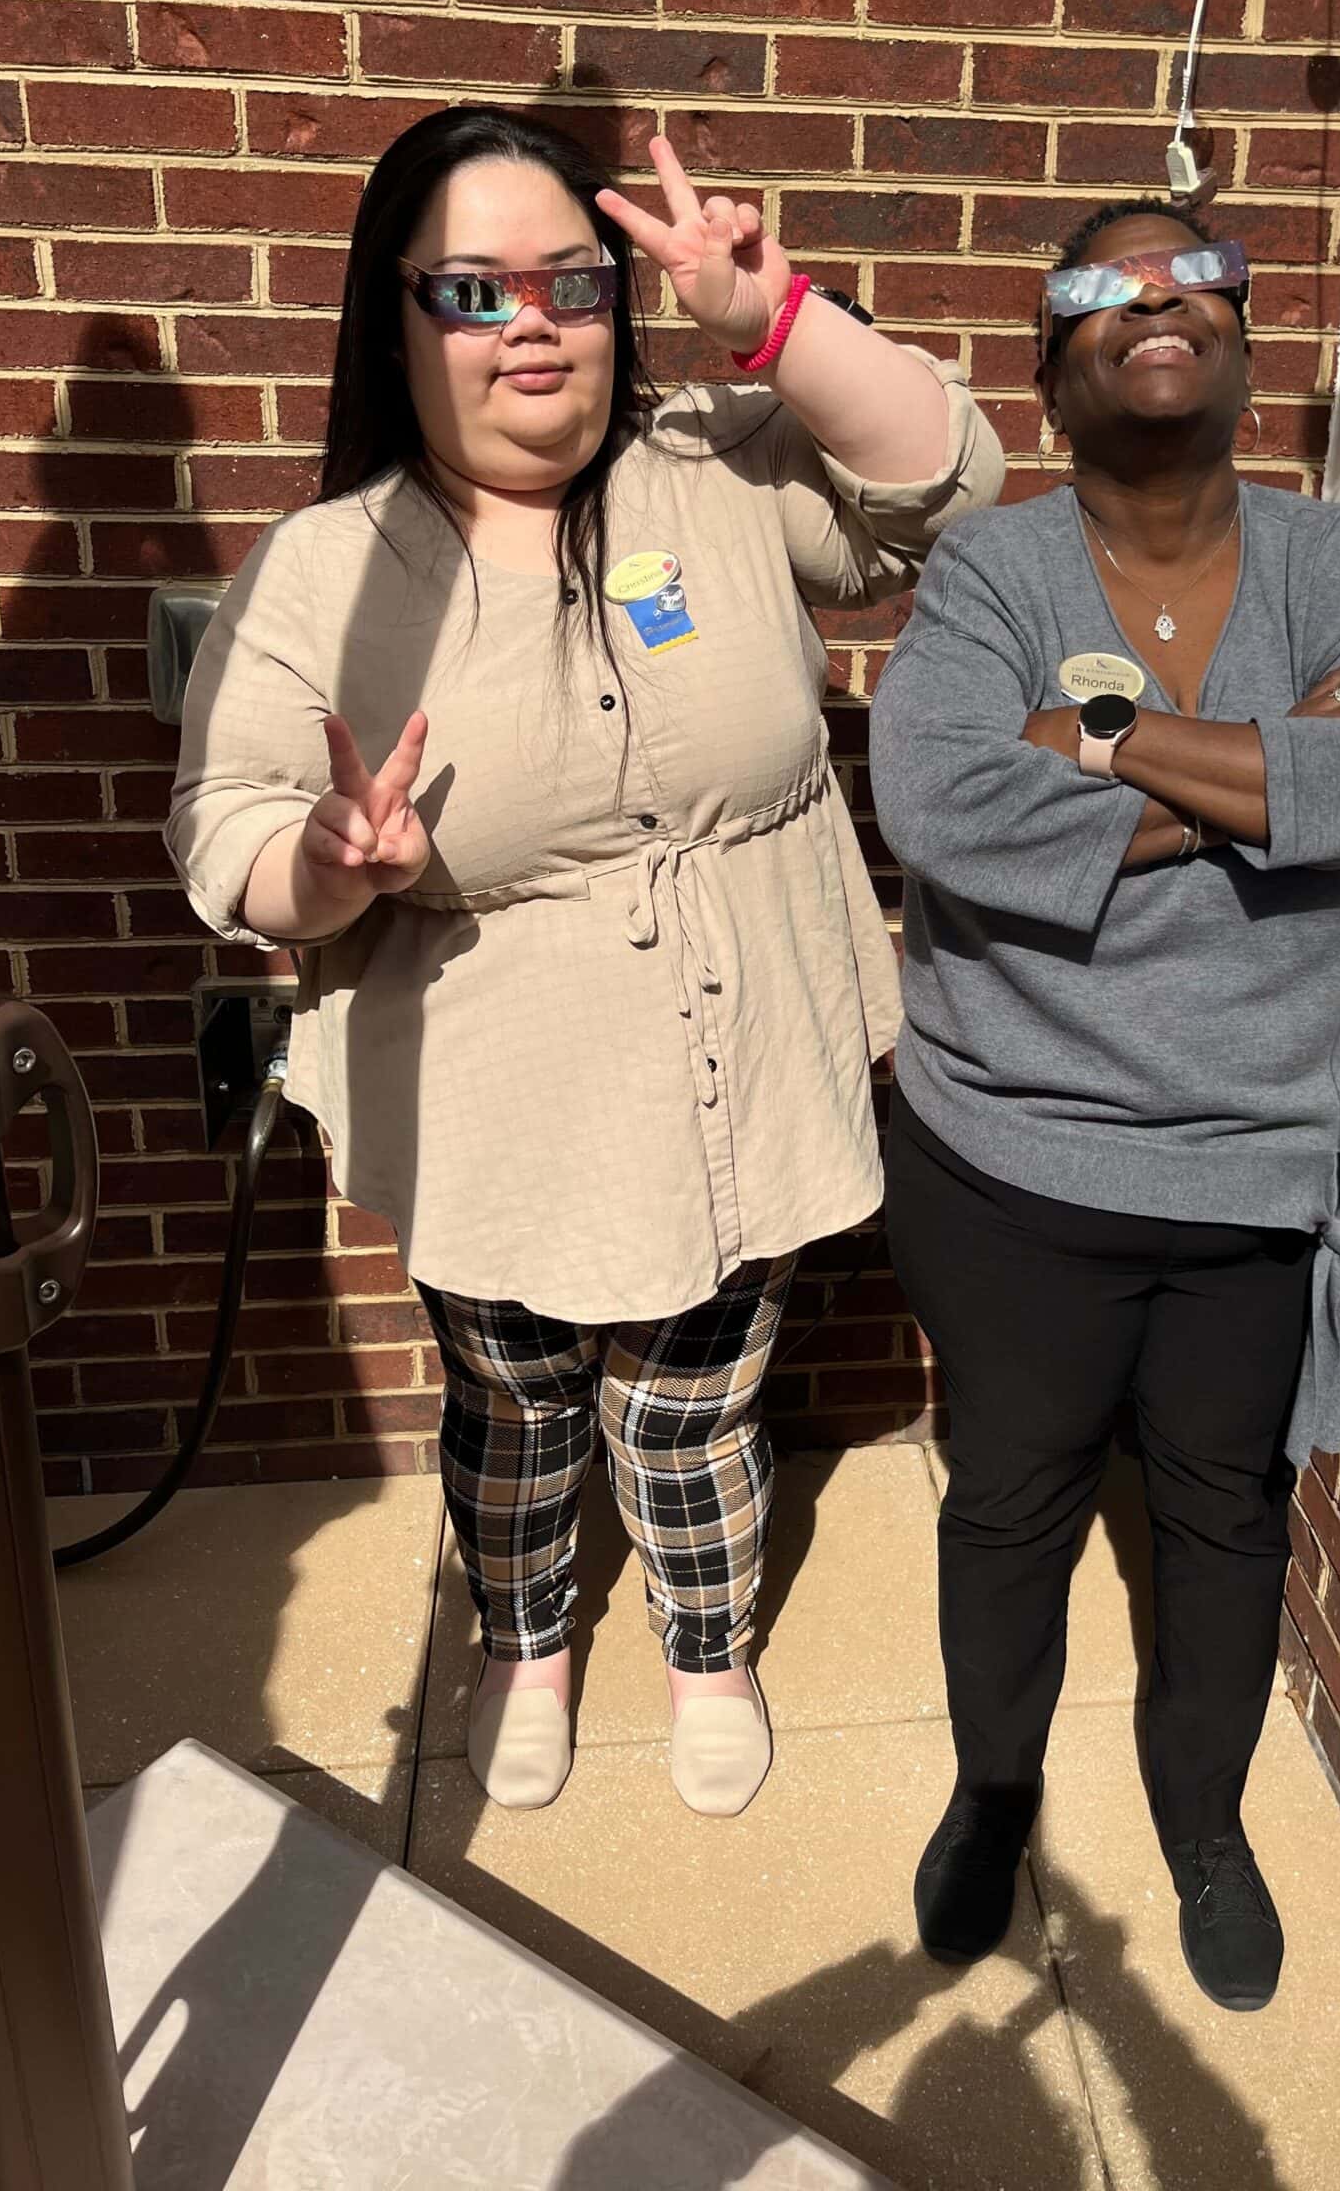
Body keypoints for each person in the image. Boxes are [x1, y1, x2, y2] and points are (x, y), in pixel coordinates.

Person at [168, 107, 1003, 1819]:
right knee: (520, 1398)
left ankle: (710, 1644)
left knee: (701, 1399)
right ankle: (526, 1636)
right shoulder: (326, 570)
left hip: (745, 1060)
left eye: (571, 283)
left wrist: (775, 320)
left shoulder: (714, 466)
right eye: (473, 289)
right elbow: (221, 827)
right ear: (394, 318)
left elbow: (946, 489)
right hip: (499, 1092)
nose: (531, 324)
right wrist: (323, 868)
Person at [867, 200, 1340, 2008]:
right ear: (1052, 374)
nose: (1153, 301)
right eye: (1100, 287)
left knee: (1226, 1517)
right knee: (1013, 1498)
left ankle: (1204, 1817)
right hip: (1012, 1161)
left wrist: (1101, 746)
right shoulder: (988, 574)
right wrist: (1275, 759)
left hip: (1258, 1173)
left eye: (1191, 276)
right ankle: (992, 1791)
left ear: (1244, 344)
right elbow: (948, 814)